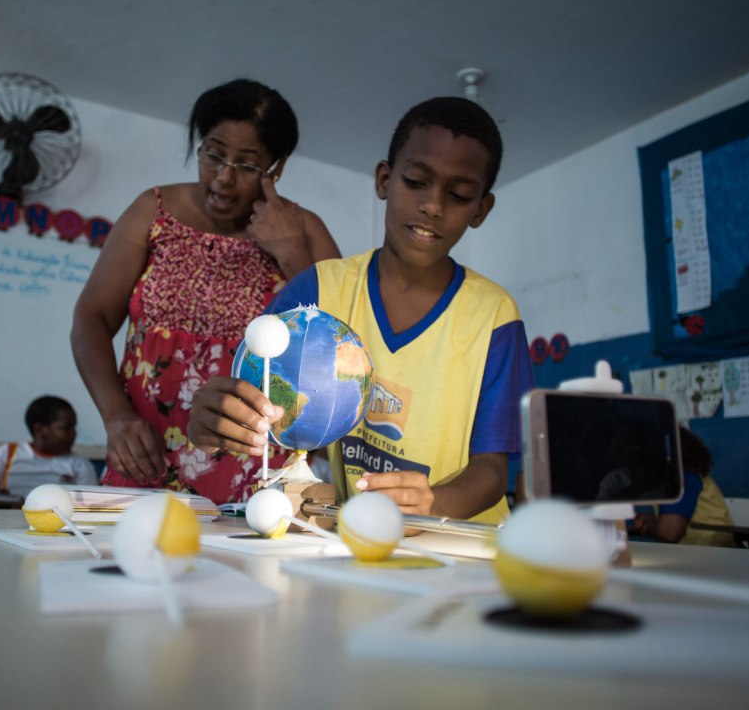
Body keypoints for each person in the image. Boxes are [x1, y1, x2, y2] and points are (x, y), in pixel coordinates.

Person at [188, 96, 533, 525]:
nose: (433, 205)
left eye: (459, 194)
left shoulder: (494, 315)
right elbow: (252, 406)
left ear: (480, 209)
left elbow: (491, 473)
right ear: (384, 179)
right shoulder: (319, 290)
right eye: (415, 181)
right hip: (364, 541)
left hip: (461, 548)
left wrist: (431, 506)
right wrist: (215, 424)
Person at [71, 78, 341, 505]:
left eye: (248, 165)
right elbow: (91, 319)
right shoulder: (152, 211)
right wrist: (117, 418)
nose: (224, 178)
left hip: (256, 472)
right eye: (214, 154)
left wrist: (291, 253)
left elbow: (338, 350)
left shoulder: (303, 230)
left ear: (276, 168)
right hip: (145, 457)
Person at [0, 395, 98, 498]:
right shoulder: (8, 453)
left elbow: (91, 504)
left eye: (74, 427)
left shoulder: (79, 464)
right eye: (66, 428)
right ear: (39, 430)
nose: (74, 434)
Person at [630, 426, 735, 547]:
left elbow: (670, 533)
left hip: (710, 554)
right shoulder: (678, 474)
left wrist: (651, 525)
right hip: (701, 551)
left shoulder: (679, 476)